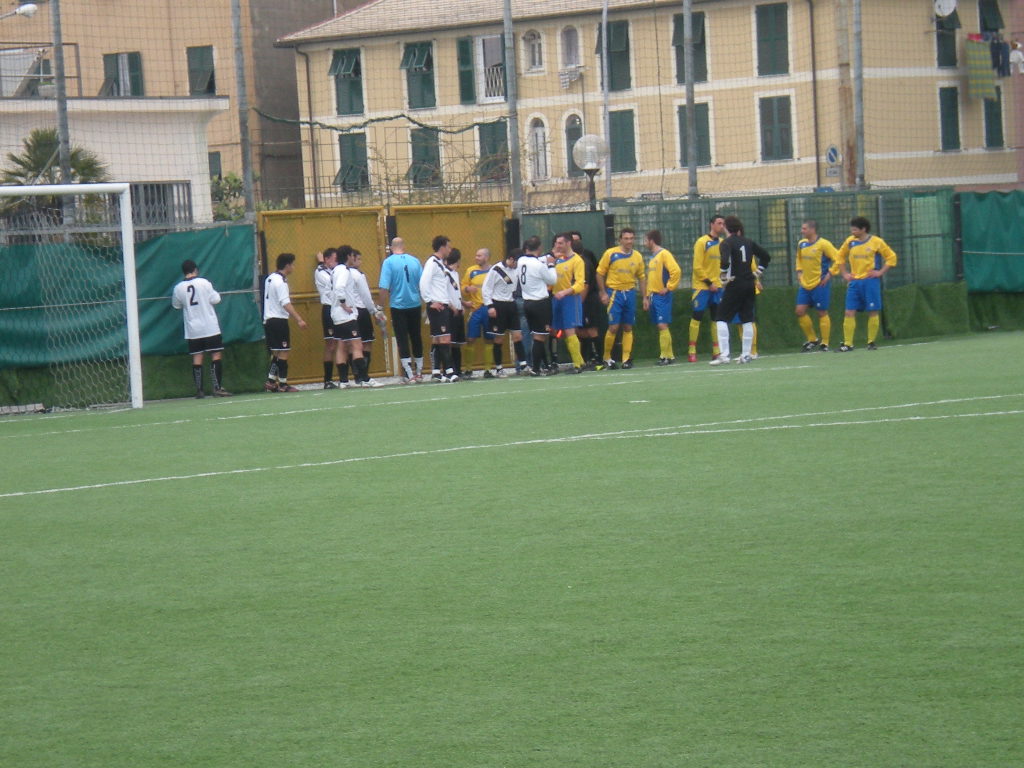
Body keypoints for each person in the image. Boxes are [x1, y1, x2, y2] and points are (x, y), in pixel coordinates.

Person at [713, 215, 770, 365]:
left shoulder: (726, 243)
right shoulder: (748, 242)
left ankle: (724, 355)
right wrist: (757, 272)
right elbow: (766, 256)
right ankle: (746, 355)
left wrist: (723, 275)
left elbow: (725, 261)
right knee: (747, 318)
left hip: (735, 283)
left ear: (726, 227)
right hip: (749, 283)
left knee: (721, 317)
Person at [835, 216, 898, 352]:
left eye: (855, 229)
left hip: (870, 282)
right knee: (849, 311)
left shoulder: (876, 242)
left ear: (863, 229)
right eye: (851, 229)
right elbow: (839, 256)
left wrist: (880, 272)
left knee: (873, 311)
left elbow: (891, 257)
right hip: (854, 282)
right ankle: (848, 344)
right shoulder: (850, 242)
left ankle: (871, 342)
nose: (852, 232)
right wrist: (845, 274)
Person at [171, 259, 231, 398]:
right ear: (195, 270)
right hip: (210, 326)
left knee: (197, 356)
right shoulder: (204, 283)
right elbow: (216, 299)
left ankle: (199, 390)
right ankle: (217, 388)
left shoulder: (178, 288)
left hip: (193, 328)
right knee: (215, 354)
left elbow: (177, 305)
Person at [596, 227, 646, 369]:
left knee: (628, 327)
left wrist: (645, 297)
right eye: (626, 238)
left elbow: (642, 277)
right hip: (614, 293)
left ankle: (626, 359)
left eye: (631, 238)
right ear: (620, 240)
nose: (629, 241)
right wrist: (603, 293)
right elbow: (599, 274)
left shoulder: (637, 256)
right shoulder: (611, 254)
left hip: (629, 293)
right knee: (613, 327)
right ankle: (606, 357)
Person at [378, 236, 424, 383]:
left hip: (398, 305)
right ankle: (419, 371)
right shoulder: (415, 261)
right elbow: (423, 284)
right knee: (416, 336)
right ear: (403, 247)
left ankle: (409, 373)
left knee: (402, 337)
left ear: (391, 248)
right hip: (415, 303)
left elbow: (384, 287)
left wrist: (380, 306)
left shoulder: (389, 262)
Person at [330, 245, 376, 387]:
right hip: (346, 315)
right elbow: (339, 288)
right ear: (348, 256)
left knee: (342, 346)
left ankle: (343, 381)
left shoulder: (335, 270)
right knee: (357, 345)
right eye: (352, 255)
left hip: (336, 315)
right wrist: (344, 304)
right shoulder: (344, 270)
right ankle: (365, 378)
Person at [263, 252, 307, 392]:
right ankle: (283, 383)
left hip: (269, 320)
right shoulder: (281, 282)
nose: (293, 267)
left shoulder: (270, 278)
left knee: (276, 352)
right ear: (287, 265)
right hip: (278, 320)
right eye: (292, 264)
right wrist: (299, 319)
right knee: (284, 352)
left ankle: (271, 381)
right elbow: (285, 303)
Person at [481, 248, 529, 376]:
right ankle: (499, 368)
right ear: (511, 259)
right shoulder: (496, 270)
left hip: (511, 305)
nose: (517, 265)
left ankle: (523, 365)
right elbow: (486, 289)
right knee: (499, 338)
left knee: (518, 336)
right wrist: (490, 306)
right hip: (498, 306)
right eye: (516, 262)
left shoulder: (516, 269)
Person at [794, 220, 839, 352]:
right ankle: (812, 339)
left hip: (820, 283)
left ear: (812, 230)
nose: (802, 231)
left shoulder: (823, 244)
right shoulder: (801, 244)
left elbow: (838, 258)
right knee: (800, 311)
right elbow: (799, 259)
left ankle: (825, 343)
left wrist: (830, 274)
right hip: (805, 284)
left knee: (822, 312)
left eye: (804, 229)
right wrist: (799, 271)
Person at [419, 235, 459, 382]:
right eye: (448, 246)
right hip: (437, 307)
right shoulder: (432, 262)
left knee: (437, 339)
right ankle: (449, 371)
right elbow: (424, 283)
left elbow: (441, 287)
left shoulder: (441, 264)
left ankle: (436, 371)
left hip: (443, 305)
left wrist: (449, 303)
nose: (450, 250)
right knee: (444, 338)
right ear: (442, 247)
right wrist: (430, 302)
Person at [688, 214, 726, 363]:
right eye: (719, 223)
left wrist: (721, 282)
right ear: (712, 225)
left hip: (718, 287)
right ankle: (692, 350)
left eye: (723, 224)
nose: (721, 226)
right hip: (701, 287)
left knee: (716, 318)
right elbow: (697, 266)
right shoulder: (702, 242)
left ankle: (716, 350)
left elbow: (724, 265)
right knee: (697, 316)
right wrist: (709, 283)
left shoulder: (723, 243)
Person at [518, 235, 558, 375]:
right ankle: (536, 368)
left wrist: (547, 257)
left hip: (527, 302)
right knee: (540, 337)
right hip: (540, 303)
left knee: (536, 335)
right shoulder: (539, 265)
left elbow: (534, 260)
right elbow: (552, 280)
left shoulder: (521, 260)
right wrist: (551, 264)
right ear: (539, 248)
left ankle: (541, 367)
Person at [550, 232, 587, 373]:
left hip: (570, 299)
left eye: (560, 243)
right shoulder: (558, 260)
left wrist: (565, 292)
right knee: (561, 331)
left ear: (568, 243)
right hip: (556, 298)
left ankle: (577, 365)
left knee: (570, 330)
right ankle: (580, 361)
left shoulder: (577, 261)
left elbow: (580, 284)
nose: (557, 246)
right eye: (556, 243)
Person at [349, 249, 386, 387]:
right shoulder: (358, 275)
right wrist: (374, 311)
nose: (360, 262)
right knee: (366, 343)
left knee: (351, 344)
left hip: (348, 312)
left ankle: (356, 376)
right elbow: (366, 296)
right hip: (361, 310)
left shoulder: (339, 272)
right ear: (351, 258)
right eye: (358, 259)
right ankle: (364, 375)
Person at [644, 230, 682, 365]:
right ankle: (669, 356)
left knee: (662, 324)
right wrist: (647, 297)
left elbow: (676, 271)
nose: (644, 243)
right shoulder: (653, 257)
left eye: (645, 240)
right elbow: (650, 279)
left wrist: (669, 287)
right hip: (654, 296)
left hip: (662, 296)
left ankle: (664, 356)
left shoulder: (664, 254)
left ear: (651, 241)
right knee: (660, 325)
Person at [570, 231, 602, 367]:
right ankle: (585, 359)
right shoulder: (577, 262)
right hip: (582, 299)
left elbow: (586, 285)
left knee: (591, 330)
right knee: (581, 331)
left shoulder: (583, 262)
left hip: (588, 300)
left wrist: (578, 304)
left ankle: (599, 359)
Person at [462, 247, 492, 376]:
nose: (476, 258)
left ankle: (488, 369)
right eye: (476, 255)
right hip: (475, 309)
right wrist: (468, 289)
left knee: (489, 339)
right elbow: (462, 286)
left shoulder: (493, 271)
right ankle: (468, 369)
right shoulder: (471, 270)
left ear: (486, 257)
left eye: (479, 256)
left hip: (489, 307)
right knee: (470, 338)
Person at [314, 247, 340, 387]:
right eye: (334, 259)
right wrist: (320, 263)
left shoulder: (334, 271)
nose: (336, 262)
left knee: (345, 342)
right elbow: (332, 283)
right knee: (331, 345)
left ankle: (345, 378)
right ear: (327, 259)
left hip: (339, 308)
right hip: (329, 308)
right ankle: (328, 379)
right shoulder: (321, 272)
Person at [445, 248, 469, 378]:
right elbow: (443, 292)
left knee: (458, 343)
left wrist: (462, 304)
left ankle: (458, 370)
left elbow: (456, 292)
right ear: (458, 260)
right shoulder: (445, 273)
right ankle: (448, 370)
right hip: (449, 311)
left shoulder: (455, 274)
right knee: (449, 341)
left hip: (458, 311)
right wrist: (452, 306)